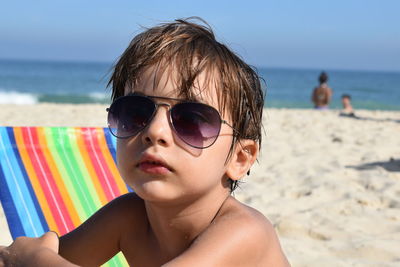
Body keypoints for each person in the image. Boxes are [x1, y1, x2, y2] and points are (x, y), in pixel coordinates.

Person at [0, 18, 289, 266]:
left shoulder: (244, 232)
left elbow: (35, 258)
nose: (155, 131)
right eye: (136, 112)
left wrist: (35, 261)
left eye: (191, 120)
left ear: (239, 159)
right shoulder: (128, 217)